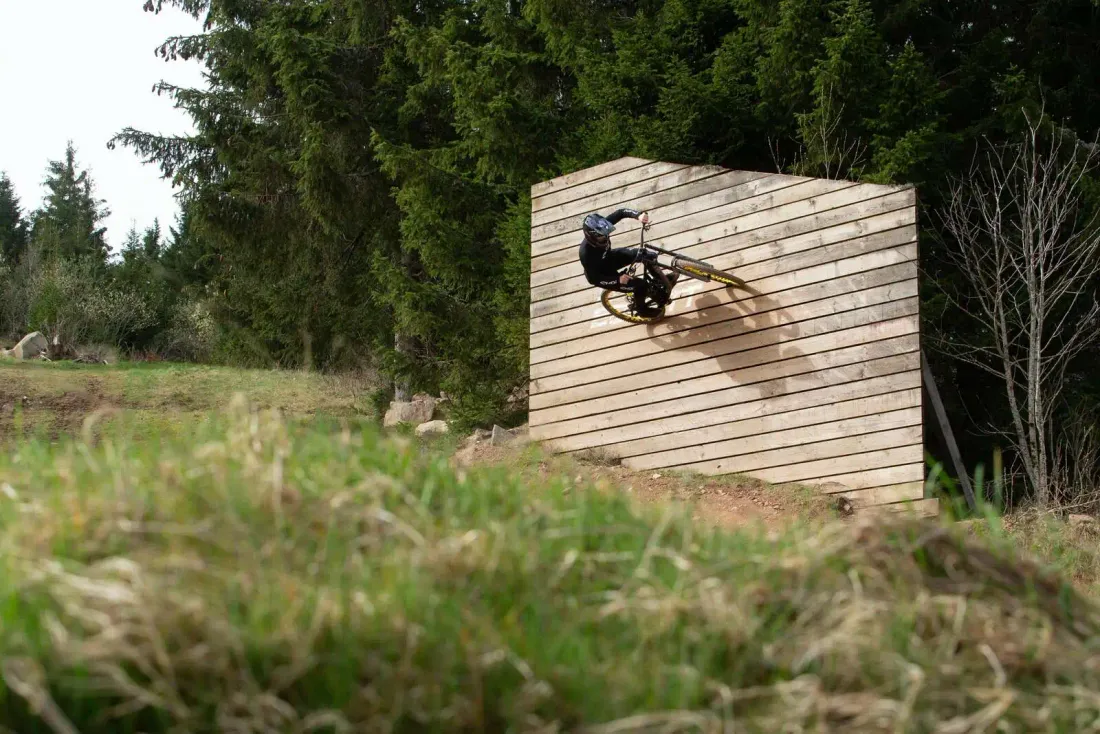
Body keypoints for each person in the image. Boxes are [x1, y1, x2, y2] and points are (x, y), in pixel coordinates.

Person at [578, 208, 678, 317]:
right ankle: (642, 311)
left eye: (606, 234)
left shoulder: (601, 226)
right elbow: (595, 279)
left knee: (646, 255)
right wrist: (617, 279)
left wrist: (638, 215)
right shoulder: (585, 254)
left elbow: (621, 212)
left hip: (609, 258)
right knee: (640, 285)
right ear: (591, 237)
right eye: (602, 237)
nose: (605, 237)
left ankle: (660, 281)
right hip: (603, 275)